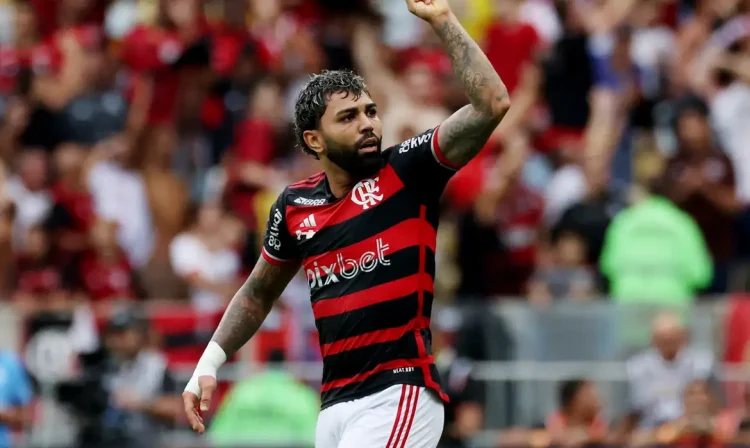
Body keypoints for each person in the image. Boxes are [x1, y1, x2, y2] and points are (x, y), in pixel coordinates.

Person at [182, 0, 511, 446]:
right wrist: (209, 362)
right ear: (314, 139)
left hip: (398, 393)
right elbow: (258, 294)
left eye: (371, 112)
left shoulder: (407, 171)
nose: (369, 124)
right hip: (334, 406)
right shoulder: (294, 206)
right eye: (349, 117)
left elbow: (491, 104)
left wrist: (443, 20)